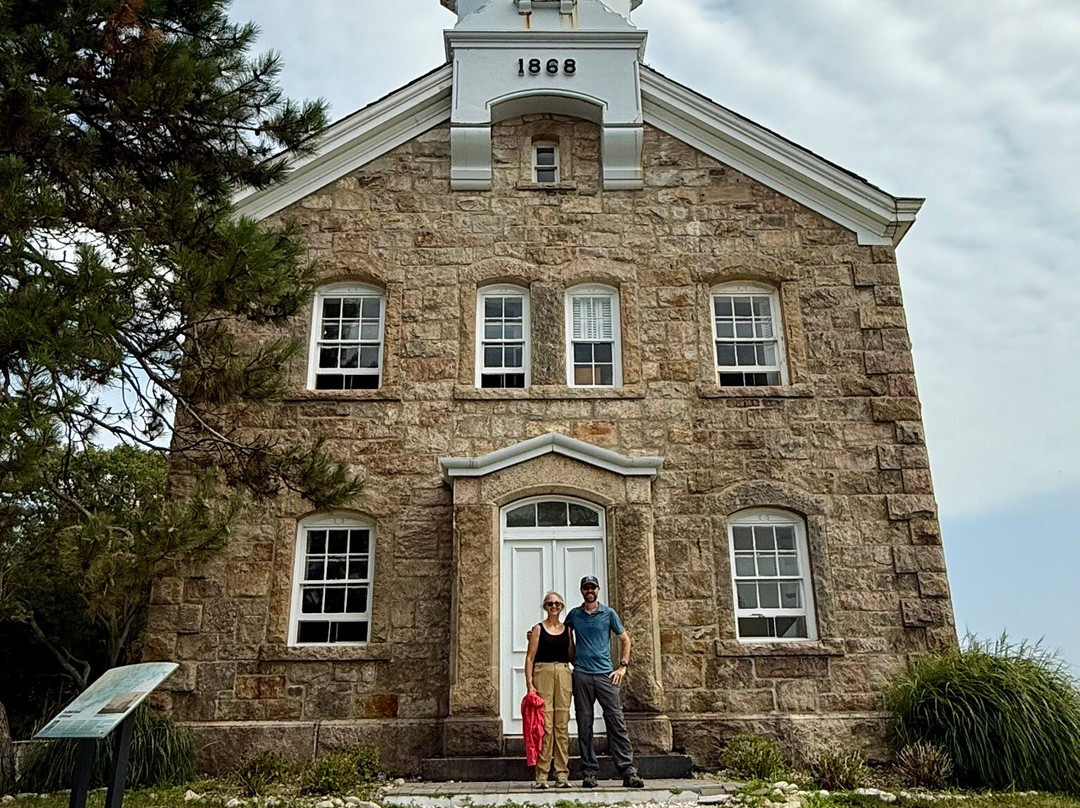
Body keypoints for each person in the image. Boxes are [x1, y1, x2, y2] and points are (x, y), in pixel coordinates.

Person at [563, 575, 645, 789]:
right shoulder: (574, 615)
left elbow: (625, 639)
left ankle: (628, 771)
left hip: (605, 675)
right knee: (585, 724)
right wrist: (533, 635)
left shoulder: (609, 614)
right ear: (582, 591)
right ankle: (589, 772)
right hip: (582, 675)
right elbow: (559, 633)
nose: (589, 591)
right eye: (586, 588)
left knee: (616, 721)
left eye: (593, 588)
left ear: (598, 590)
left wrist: (623, 667)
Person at [524, 590, 573, 789]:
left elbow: (572, 654)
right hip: (542, 673)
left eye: (557, 604)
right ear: (545, 607)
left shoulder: (567, 629)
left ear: (562, 607)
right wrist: (529, 684)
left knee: (562, 725)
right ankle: (542, 775)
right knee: (544, 725)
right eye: (550, 603)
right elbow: (529, 658)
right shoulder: (538, 629)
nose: (554, 607)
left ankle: (562, 774)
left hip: (563, 673)